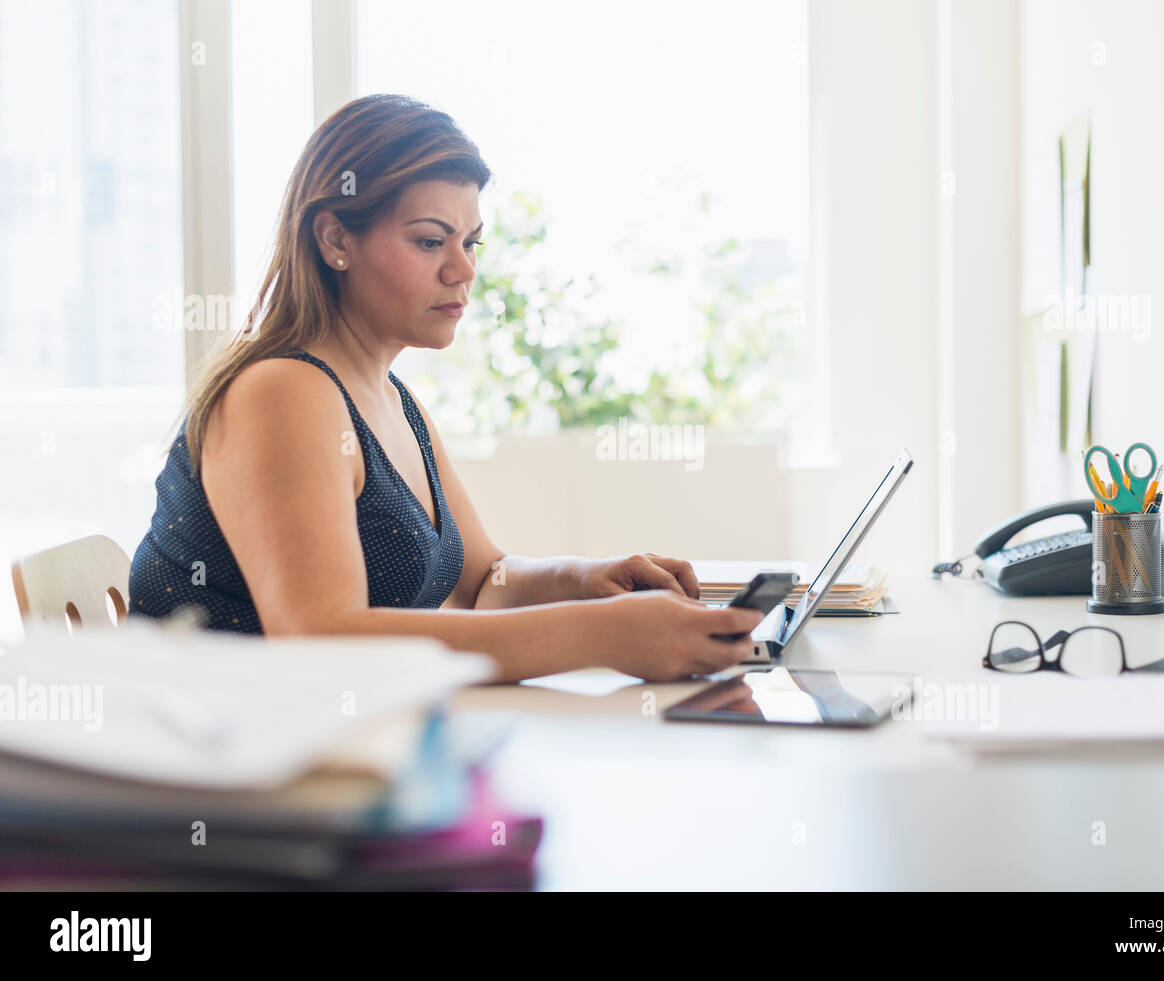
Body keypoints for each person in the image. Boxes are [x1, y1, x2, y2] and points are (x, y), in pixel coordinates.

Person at [128, 94, 762, 683]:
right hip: (224, 763)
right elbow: (317, 639)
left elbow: (485, 582)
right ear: (335, 239)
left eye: (470, 242)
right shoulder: (281, 393)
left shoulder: (393, 399)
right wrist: (604, 635)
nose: (463, 270)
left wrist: (590, 579)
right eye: (430, 241)